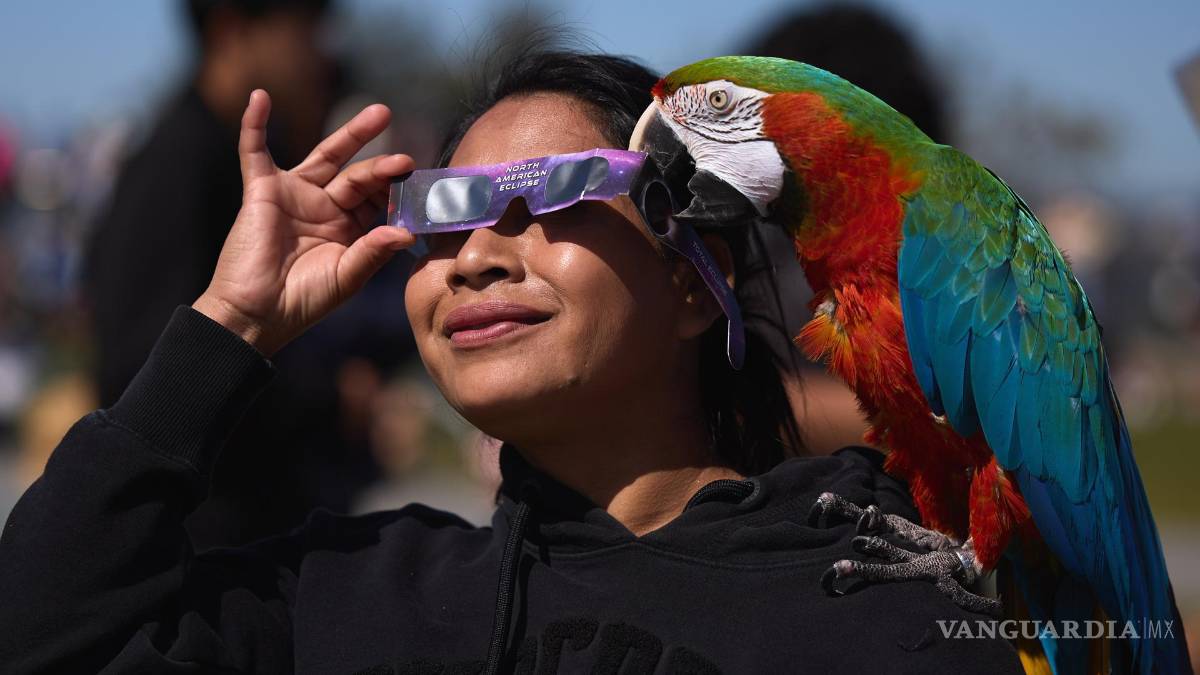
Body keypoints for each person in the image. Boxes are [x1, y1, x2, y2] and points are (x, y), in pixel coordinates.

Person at [0, 51, 1023, 673]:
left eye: (552, 194)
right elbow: (40, 636)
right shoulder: (343, 594)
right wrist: (231, 323)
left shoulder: (880, 597)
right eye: (443, 216)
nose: (476, 255)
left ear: (689, 281)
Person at [82, 0, 415, 550]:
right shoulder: (177, 165)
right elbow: (139, 372)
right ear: (232, 27)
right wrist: (328, 398)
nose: (320, 52)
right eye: (305, 28)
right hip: (204, 540)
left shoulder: (256, 155)